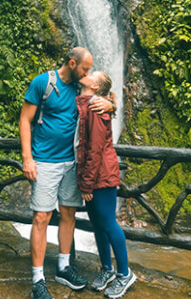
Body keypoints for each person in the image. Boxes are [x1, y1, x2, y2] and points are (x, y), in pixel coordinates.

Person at [19, 47, 114, 299]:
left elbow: (103, 94)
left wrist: (111, 103)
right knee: (41, 217)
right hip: (45, 161)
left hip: (72, 162)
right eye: (85, 68)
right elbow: (24, 119)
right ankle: (38, 279)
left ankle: (63, 267)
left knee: (68, 214)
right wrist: (27, 158)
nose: (88, 73)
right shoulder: (43, 82)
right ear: (72, 63)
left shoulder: (81, 86)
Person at [76, 71, 136, 299]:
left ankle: (125, 273)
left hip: (101, 175)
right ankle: (107, 269)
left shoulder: (97, 108)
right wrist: (113, 104)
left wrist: (87, 184)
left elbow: (95, 150)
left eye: (93, 74)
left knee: (109, 223)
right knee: (97, 224)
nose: (88, 74)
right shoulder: (91, 103)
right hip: (93, 175)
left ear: (96, 86)